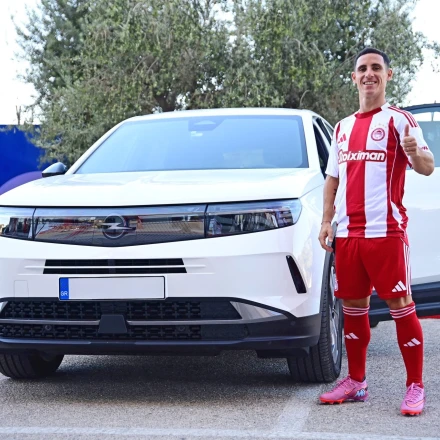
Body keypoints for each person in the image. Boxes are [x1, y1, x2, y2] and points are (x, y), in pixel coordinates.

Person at [318, 47, 435, 416]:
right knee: (353, 307)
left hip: (386, 233)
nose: (369, 74)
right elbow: (332, 180)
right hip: (349, 236)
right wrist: (326, 221)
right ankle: (356, 382)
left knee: (401, 305)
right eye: (362, 69)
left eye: (376, 68)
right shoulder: (342, 127)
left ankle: (415, 386)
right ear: (354, 77)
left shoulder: (401, 120)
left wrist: (415, 153)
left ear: (388, 75)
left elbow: (427, 166)